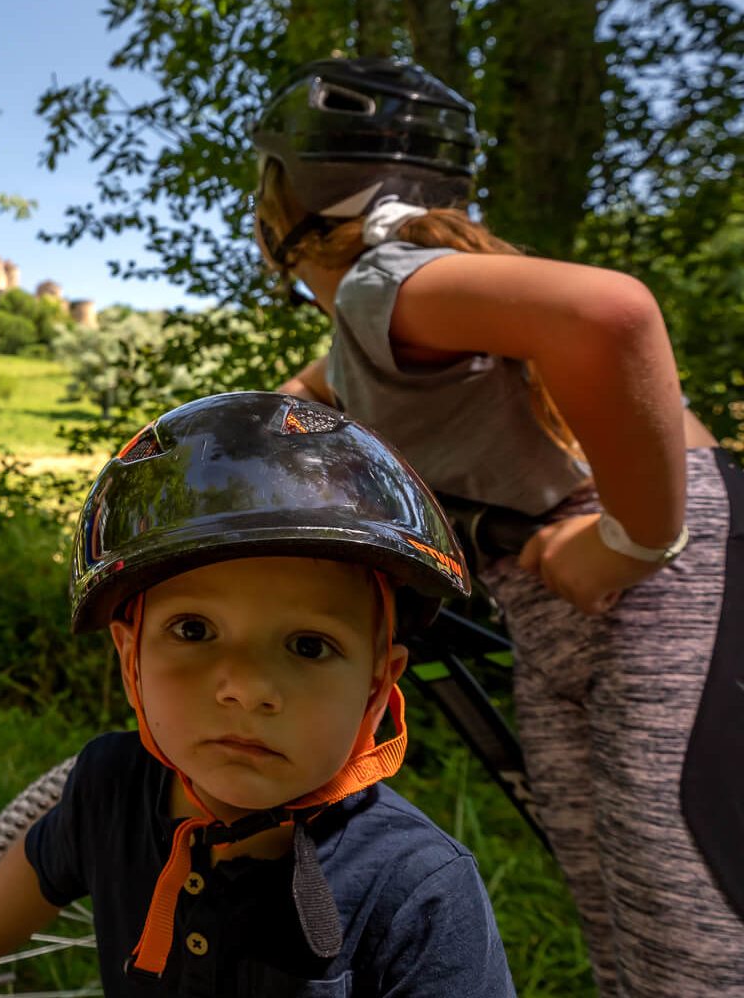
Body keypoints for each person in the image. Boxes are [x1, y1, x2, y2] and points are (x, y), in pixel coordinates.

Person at [253, 57, 742, 996]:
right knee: (622, 912)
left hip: (644, 566)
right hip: (562, 584)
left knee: (690, 934)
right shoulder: (379, 314)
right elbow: (309, 396)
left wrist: (632, 543)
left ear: (291, 207)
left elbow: (613, 313)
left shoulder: (377, 285)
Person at [0, 391, 513, 997]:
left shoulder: (419, 892)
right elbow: (42, 863)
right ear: (130, 657)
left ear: (378, 683)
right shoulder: (112, 787)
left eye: (309, 646)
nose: (245, 689)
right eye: (193, 630)